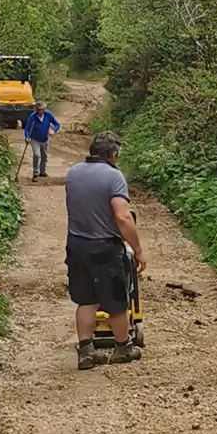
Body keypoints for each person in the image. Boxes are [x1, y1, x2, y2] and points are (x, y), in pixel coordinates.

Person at [64, 130, 144, 370]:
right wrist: (137, 249)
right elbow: (122, 217)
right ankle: (123, 348)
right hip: (104, 247)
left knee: (86, 300)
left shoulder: (73, 173)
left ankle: (86, 350)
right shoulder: (113, 177)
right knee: (116, 302)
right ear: (114, 154)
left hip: (76, 244)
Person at [22, 99, 60, 181]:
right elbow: (27, 129)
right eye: (39, 110)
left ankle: (42, 171)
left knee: (44, 156)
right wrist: (27, 137)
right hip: (35, 139)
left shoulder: (48, 115)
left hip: (45, 139)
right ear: (36, 110)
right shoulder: (33, 117)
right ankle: (35, 173)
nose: (40, 111)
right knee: (36, 155)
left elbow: (57, 124)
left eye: (42, 110)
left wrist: (54, 130)